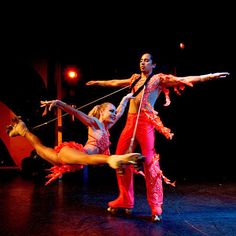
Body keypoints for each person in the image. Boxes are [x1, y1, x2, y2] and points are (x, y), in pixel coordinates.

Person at [86, 52, 230, 222]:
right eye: (141, 60)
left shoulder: (158, 79)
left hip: (145, 124)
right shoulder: (134, 79)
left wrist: (210, 76)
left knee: (149, 161)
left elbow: (186, 78)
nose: (143, 63)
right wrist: (98, 82)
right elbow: (115, 82)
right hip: (130, 123)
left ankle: (155, 205)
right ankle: (125, 199)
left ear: (153, 65)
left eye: (146, 60)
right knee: (119, 158)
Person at [7, 93, 144, 185]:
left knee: (40, 148)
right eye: (111, 111)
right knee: (85, 158)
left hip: (73, 160)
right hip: (74, 153)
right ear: (102, 112)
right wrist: (59, 103)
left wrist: (126, 98)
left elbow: (120, 112)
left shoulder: (105, 129)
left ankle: (22, 130)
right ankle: (114, 159)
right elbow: (76, 113)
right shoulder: (95, 122)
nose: (114, 114)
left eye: (114, 111)